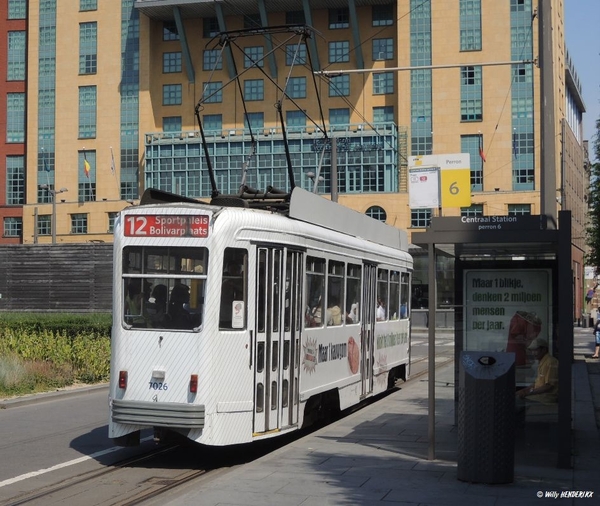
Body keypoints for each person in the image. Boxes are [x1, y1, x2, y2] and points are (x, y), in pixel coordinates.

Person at [516, 338, 558, 404]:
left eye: (535, 350)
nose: (533, 353)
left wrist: (529, 392)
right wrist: (523, 391)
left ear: (544, 349)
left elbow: (548, 386)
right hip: (537, 395)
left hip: (544, 398)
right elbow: (536, 384)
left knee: (516, 402)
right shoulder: (542, 361)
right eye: (532, 351)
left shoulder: (550, 362)